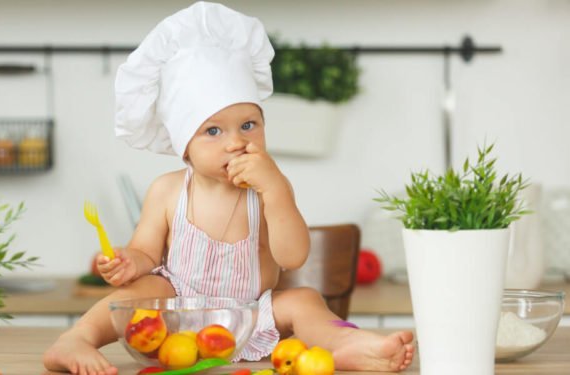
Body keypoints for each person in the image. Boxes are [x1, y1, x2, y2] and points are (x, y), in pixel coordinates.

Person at [44, 2, 415, 374]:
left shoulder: (268, 189)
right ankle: (75, 340)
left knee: (303, 299)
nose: (236, 141)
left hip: (251, 317)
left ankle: (345, 345)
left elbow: (292, 258)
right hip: (175, 320)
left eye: (249, 125)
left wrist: (276, 191)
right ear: (183, 144)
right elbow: (146, 252)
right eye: (213, 131)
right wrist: (130, 263)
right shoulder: (168, 191)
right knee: (136, 293)